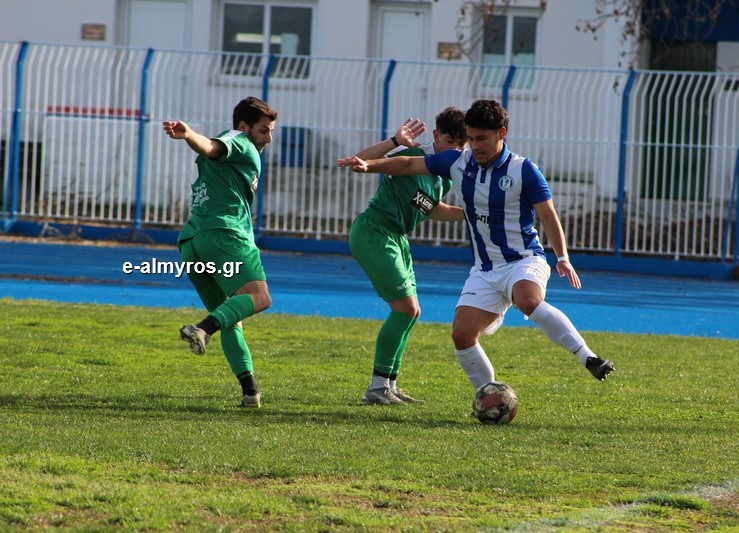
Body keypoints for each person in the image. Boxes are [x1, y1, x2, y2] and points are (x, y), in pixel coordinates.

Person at [338, 99, 615, 396]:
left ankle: (589, 358)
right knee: (448, 327)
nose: (471, 146)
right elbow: (406, 163)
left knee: (525, 301)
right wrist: (371, 164)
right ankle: (484, 396)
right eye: (469, 139)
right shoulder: (455, 163)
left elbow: (547, 215)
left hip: (521, 259)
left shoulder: (524, 170)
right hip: (463, 262)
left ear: (501, 134)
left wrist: (562, 256)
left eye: (478, 139)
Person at [162, 96, 278, 408]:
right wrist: (188, 134)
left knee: (230, 317)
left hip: (193, 243)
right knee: (260, 298)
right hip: (224, 235)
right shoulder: (240, 141)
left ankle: (250, 392)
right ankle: (201, 329)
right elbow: (213, 146)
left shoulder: (240, 150)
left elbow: (211, 153)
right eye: (264, 130)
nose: (268, 138)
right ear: (244, 126)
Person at [350, 108, 468, 405]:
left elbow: (435, 209)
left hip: (396, 238)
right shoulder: (416, 156)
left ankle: (387, 384)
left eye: (462, 146)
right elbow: (363, 160)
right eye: (451, 142)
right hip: (375, 231)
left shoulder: (446, 176)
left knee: (412, 312)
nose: (456, 150)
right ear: (436, 136)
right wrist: (394, 141)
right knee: (404, 309)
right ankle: (377, 388)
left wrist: (474, 215)